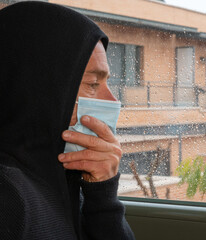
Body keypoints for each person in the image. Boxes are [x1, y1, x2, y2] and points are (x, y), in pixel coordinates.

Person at [0, 1, 135, 239]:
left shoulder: (64, 174)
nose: (112, 100)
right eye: (93, 84)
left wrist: (102, 194)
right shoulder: (8, 195)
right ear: (38, 90)